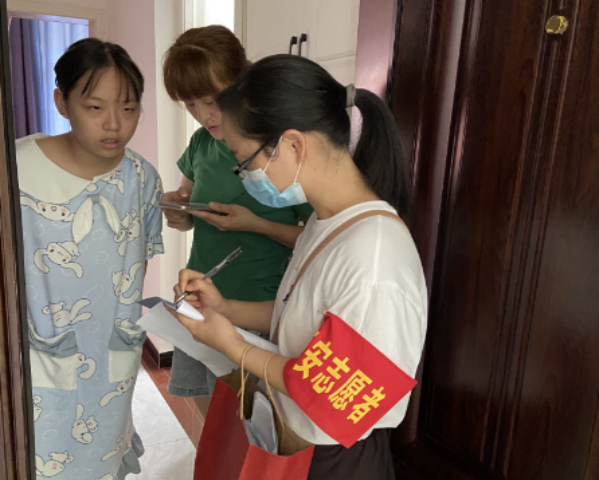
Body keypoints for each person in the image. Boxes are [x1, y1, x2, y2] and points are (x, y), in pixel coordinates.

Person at [171, 54, 428, 479]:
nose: (244, 176)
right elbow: (301, 314)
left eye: (245, 162)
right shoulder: (326, 223)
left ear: (292, 145)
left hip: (333, 457)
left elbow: (335, 395)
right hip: (298, 439)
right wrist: (225, 309)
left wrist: (233, 346)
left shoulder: (373, 258)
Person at [18, 39, 163, 479]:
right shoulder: (15, 168)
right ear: (62, 102)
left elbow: (134, 268)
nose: (114, 124)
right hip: (36, 358)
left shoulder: (142, 178)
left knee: (101, 459)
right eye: (95, 107)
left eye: (129, 108)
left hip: (111, 362)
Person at [160, 26, 313, 409]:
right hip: (201, 299)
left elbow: (318, 240)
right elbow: (189, 211)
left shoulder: (280, 148)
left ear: (243, 82)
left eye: (211, 100)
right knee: (208, 417)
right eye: (190, 105)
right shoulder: (201, 143)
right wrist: (178, 211)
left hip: (258, 307)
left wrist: (255, 224)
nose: (203, 115)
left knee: (249, 423)